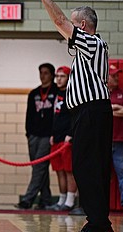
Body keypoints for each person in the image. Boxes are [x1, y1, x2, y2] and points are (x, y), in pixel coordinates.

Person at [27, 0, 114, 231]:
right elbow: (61, 24)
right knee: (87, 166)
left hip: (92, 112)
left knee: (88, 167)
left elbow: (59, 22)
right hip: (85, 115)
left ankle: (97, 222)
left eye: (74, 25)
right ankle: (99, 221)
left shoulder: (93, 43)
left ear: (83, 25)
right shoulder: (84, 51)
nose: (67, 30)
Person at [15, 62, 57, 210]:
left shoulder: (57, 91)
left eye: (46, 73)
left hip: (48, 135)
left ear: (52, 75)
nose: (43, 75)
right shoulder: (34, 93)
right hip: (34, 135)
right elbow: (29, 115)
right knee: (40, 167)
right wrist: (28, 133)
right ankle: (45, 199)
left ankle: (28, 199)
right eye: (41, 72)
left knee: (39, 166)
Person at [48, 66, 77, 212]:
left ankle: (70, 201)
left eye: (62, 76)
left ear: (68, 78)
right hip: (57, 138)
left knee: (69, 170)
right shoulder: (56, 94)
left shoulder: (72, 94)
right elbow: (56, 117)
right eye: (57, 76)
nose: (58, 79)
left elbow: (74, 117)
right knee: (59, 170)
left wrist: (71, 134)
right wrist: (52, 135)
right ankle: (61, 199)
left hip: (67, 139)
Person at [108, 64, 123, 214]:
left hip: (121, 140)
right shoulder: (99, 94)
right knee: (99, 174)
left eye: (117, 75)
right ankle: (97, 205)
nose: (116, 77)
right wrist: (116, 108)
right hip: (102, 141)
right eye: (113, 75)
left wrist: (111, 108)